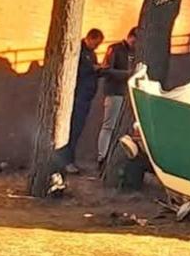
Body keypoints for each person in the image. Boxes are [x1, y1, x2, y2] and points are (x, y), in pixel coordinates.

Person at [58, 28, 104, 174]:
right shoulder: (79, 50)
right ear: (90, 38)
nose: (96, 47)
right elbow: (77, 71)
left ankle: (70, 160)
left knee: (77, 131)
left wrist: (99, 70)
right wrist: (93, 68)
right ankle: (66, 161)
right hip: (78, 97)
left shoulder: (91, 53)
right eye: (95, 44)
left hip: (86, 97)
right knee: (73, 129)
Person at [97, 27, 137, 168]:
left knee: (121, 128)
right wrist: (127, 74)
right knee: (109, 126)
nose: (135, 45)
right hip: (114, 93)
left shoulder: (135, 52)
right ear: (130, 36)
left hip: (127, 94)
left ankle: (112, 156)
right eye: (134, 41)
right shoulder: (115, 49)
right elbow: (105, 70)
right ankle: (102, 157)